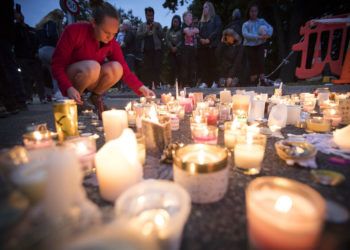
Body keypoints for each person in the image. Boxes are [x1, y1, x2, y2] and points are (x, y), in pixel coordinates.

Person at [51, 0, 155, 114]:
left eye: (114, 34)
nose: (110, 38)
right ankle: (75, 101)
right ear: (93, 23)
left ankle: (95, 97)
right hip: (71, 77)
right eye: (106, 32)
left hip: (91, 77)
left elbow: (125, 71)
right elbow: (56, 65)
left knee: (117, 68)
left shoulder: (111, 43)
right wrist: (68, 87)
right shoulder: (74, 31)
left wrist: (142, 88)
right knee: (93, 66)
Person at [0, 1, 27, 114]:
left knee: (8, 68)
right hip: (7, 37)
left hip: (5, 37)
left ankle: (15, 101)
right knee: (8, 68)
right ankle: (13, 101)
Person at [14, 10, 46, 104]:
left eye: (18, 14)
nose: (18, 16)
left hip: (34, 56)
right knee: (25, 77)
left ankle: (42, 97)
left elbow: (37, 41)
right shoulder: (16, 28)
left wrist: (37, 51)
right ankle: (28, 98)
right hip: (22, 56)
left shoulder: (31, 29)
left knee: (39, 77)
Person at [36, 9, 64, 100]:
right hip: (51, 49)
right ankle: (60, 93)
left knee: (53, 73)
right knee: (60, 71)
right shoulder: (52, 22)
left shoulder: (41, 26)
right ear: (56, 16)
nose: (61, 20)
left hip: (42, 50)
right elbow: (53, 35)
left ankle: (56, 94)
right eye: (61, 17)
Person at [242, 2, 273, 85]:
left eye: (255, 11)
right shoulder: (246, 24)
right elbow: (246, 34)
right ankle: (253, 80)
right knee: (252, 62)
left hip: (260, 44)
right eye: (252, 11)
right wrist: (258, 37)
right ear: (249, 12)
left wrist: (267, 35)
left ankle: (262, 80)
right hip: (249, 46)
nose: (253, 13)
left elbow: (270, 28)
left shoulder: (261, 21)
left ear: (257, 12)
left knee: (261, 61)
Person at [197, 1, 222, 88]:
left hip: (213, 45)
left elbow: (217, 30)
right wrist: (201, 39)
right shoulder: (200, 22)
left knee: (213, 64)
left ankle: (215, 82)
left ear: (210, 8)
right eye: (203, 7)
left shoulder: (215, 18)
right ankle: (205, 82)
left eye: (206, 7)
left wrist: (209, 39)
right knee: (204, 65)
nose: (204, 9)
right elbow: (197, 33)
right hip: (203, 46)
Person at [136, 7, 163, 88]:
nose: (150, 17)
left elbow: (162, 36)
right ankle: (148, 85)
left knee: (156, 67)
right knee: (147, 68)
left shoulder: (157, 24)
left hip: (156, 49)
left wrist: (157, 29)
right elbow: (137, 36)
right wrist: (146, 31)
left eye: (151, 15)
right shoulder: (142, 25)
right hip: (146, 50)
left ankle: (157, 85)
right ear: (145, 15)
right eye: (148, 15)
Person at [181, 11, 199, 87]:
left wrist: (192, 31)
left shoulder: (193, 26)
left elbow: (197, 30)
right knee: (185, 66)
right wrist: (192, 31)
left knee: (192, 65)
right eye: (189, 16)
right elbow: (188, 33)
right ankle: (185, 83)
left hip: (192, 48)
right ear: (185, 18)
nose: (191, 17)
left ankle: (192, 83)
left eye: (191, 15)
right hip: (185, 49)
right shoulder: (183, 26)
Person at [166, 15, 182, 87]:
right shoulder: (169, 31)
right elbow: (167, 40)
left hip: (179, 52)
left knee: (179, 68)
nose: (175, 23)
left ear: (179, 22)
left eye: (177, 21)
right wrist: (171, 47)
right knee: (172, 67)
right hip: (171, 51)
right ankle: (171, 83)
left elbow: (182, 40)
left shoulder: (181, 30)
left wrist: (177, 47)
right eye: (174, 21)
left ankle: (179, 83)